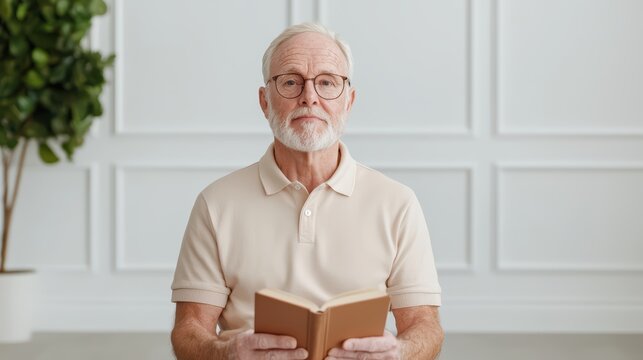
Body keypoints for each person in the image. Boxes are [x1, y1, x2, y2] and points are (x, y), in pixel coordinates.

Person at [170, 23, 443, 359]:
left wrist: (398, 354)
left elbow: (426, 327)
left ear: (349, 101)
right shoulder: (215, 203)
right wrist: (226, 353)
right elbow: (188, 331)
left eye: (327, 82)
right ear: (264, 101)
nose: (310, 96)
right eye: (290, 82)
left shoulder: (398, 203)